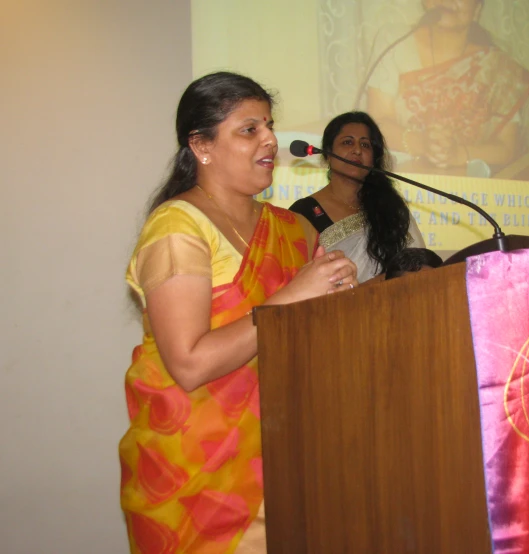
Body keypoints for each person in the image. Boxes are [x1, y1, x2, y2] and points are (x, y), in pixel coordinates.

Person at [119, 72, 358, 554]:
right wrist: (293, 297)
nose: (271, 139)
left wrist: (339, 299)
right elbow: (188, 364)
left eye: (269, 125)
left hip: (291, 460)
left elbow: (318, 341)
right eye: (249, 129)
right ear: (201, 146)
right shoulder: (177, 227)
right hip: (194, 475)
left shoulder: (295, 230)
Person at [366, 0, 529, 173]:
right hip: (402, 183)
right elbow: (377, 123)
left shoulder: (497, 68)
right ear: (426, 1)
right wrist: (422, 144)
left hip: (471, 191)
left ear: (477, 10)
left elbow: (506, 148)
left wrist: (458, 154)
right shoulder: (394, 41)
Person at [289, 111, 424, 283]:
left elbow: (418, 265)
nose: (357, 150)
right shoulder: (302, 213)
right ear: (328, 154)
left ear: (374, 159)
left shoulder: (391, 208)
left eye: (366, 145)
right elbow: (298, 283)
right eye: (347, 142)